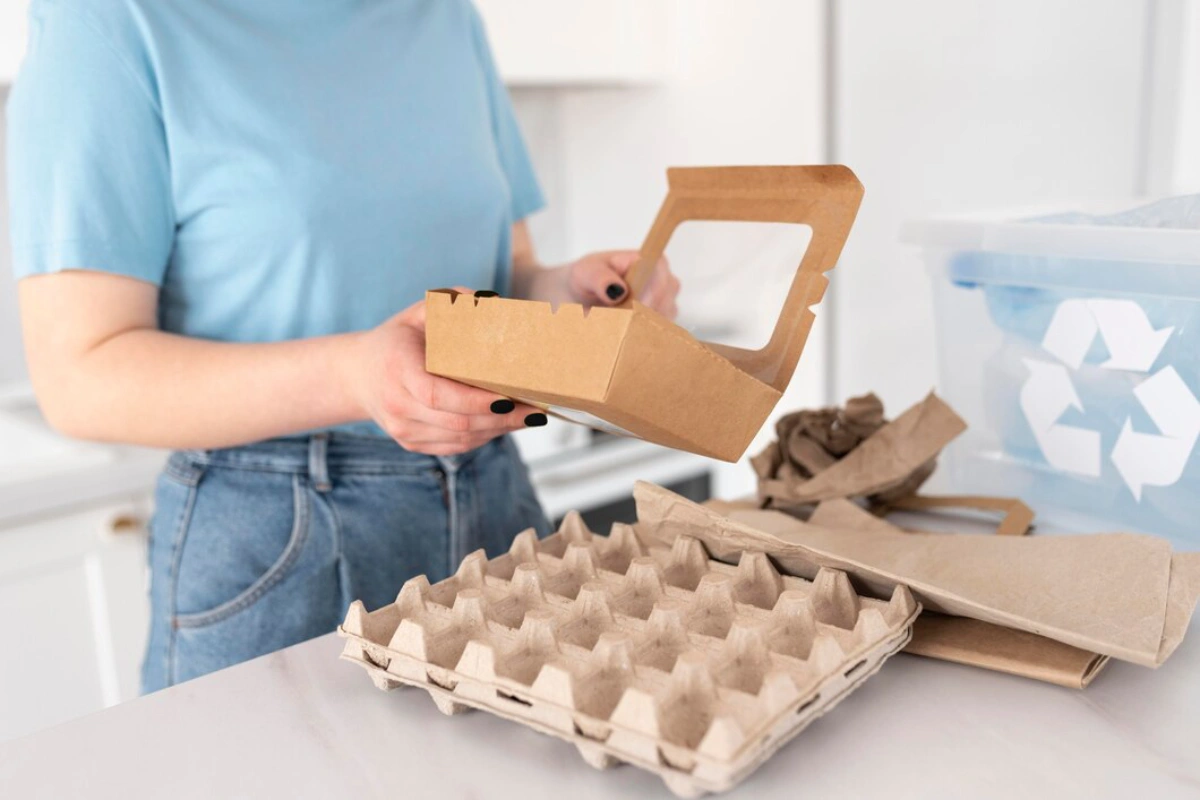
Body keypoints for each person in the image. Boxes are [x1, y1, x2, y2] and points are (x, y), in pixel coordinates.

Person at [6, 0, 679, 691]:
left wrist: (569, 294)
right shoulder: (109, 20)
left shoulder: (443, 17)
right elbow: (79, 375)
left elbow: (502, 277)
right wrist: (354, 377)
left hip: (496, 505)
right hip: (279, 540)